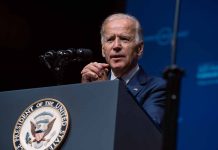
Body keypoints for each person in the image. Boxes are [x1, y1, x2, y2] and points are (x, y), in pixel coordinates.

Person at [80, 13, 167, 129]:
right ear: (103, 50)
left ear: (139, 49)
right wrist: (82, 92)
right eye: (110, 40)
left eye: (124, 39)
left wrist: (106, 92)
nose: (116, 46)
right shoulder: (92, 83)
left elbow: (147, 131)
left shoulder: (158, 87)